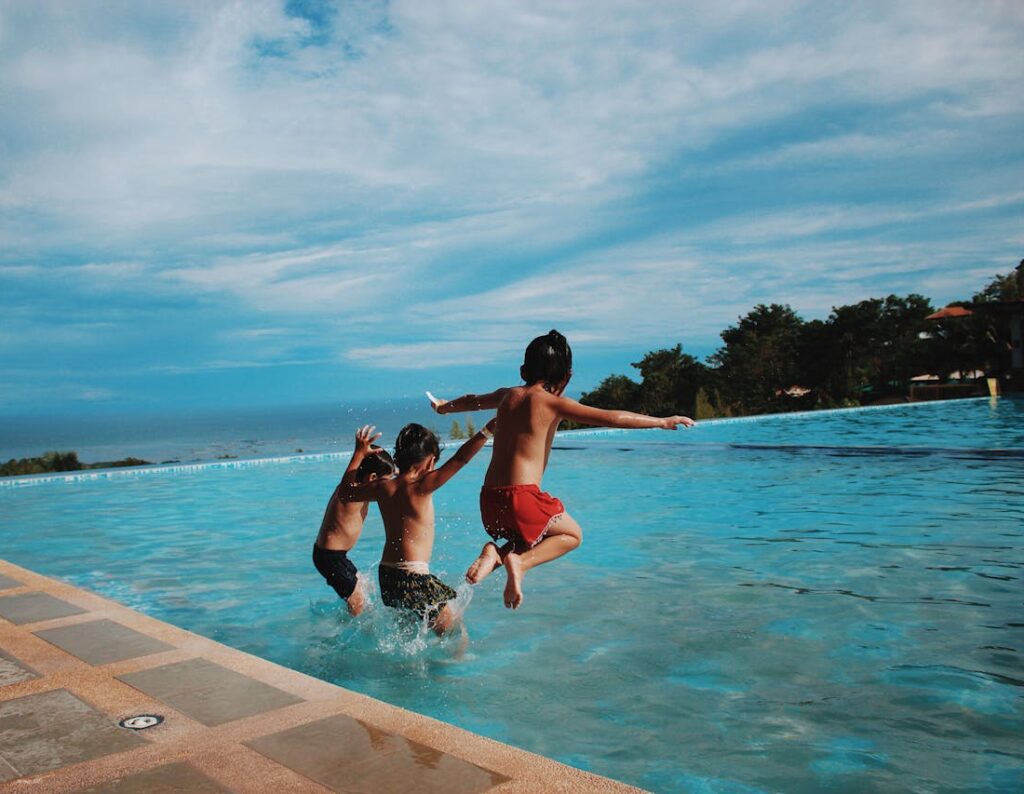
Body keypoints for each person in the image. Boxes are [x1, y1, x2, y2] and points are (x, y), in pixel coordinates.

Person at [429, 329, 695, 610]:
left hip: (490, 500)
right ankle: (518, 561)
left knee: (529, 536)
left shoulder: (507, 396)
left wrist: (444, 408)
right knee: (571, 535)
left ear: (523, 370)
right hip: (523, 498)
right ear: (566, 376)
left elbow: (472, 401)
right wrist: (663, 422)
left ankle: (495, 553)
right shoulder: (553, 403)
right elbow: (613, 418)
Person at [338, 420, 496, 635]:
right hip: (413, 577)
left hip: (387, 576)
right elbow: (460, 459)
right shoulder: (422, 486)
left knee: (408, 632)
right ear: (430, 461)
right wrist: (486, 432)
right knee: (455, 632)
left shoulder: (384, 487)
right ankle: (450, 667)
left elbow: (345, 493)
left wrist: (358, 454)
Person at [313, 425, 395, 616]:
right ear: (372, 477)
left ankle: (346, 620)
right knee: (358, 603)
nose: (389, 484)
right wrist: (358, 453)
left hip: (335, 556)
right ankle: (347, 639)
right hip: (329, 557)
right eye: (387, 479)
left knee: (366, 587)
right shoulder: (351, 492)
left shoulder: (357, 487)